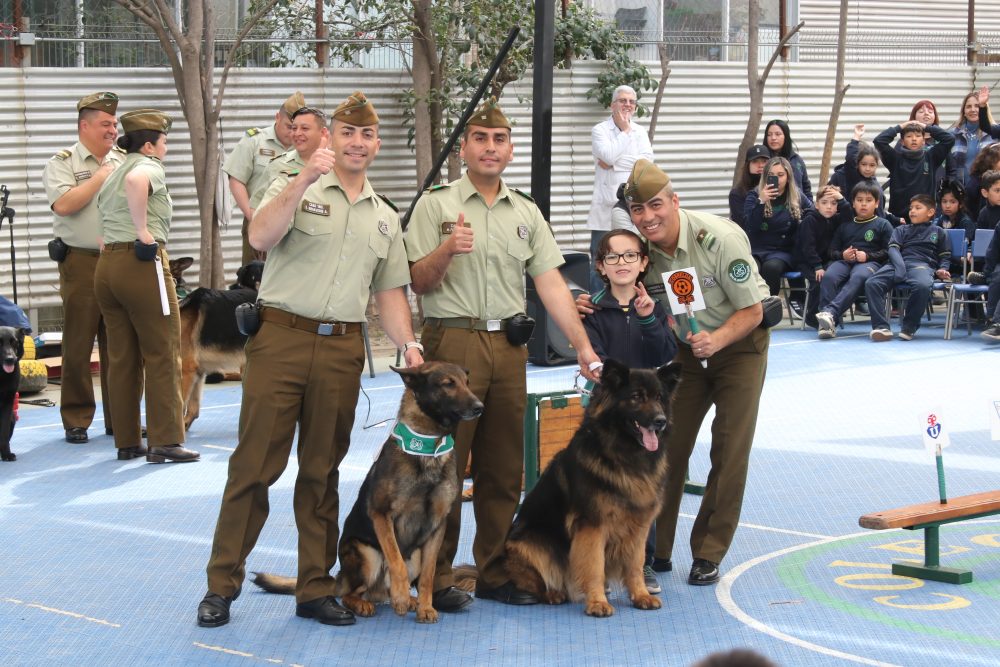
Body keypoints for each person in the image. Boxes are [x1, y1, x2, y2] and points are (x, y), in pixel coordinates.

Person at [197, 92, 423, 629]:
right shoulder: (292, 185)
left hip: (342, 347)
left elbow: (390, 290)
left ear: (377, 144)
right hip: (281, 339)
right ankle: (221, 586)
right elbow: (259, 235)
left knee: (321, 474)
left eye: (367, 135)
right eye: (347, 132)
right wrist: (302, 180)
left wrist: (408, 342)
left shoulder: (385, 217)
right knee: (254, 468)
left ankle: (316, 589)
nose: (357, 142)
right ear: (329, 137)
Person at [406, 97, 601, 610]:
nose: (489, 148)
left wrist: (582, 347)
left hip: (509, 347)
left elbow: (550, 283)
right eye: (479, 139)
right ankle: (439, 575)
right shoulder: (437, 205)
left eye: (499, 140)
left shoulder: (526, 211)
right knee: (444, 467)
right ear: (464, 148)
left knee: (501, 467)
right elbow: (414, 280)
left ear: (510, 149)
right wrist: (448, 249)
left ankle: (494, 571)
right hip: (452, 343)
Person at [581, 158, 769, 587]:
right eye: (639, 211)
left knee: (729, 449)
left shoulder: (718, 239)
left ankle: (707, 551)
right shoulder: (643, 250)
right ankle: (653, 550)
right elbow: (617, 276)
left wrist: (718, 340)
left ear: (674, 201)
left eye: (655, 206)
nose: (648, 218)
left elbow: (753, 309)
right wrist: (583, 303)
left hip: (739, 347)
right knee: (663, 448)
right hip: (685, 354)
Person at [94, 109, 197, 464]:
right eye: (165, 141)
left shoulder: (112, 168)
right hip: (142, 262)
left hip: (108, 267)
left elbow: (103, 210)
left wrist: (109, 237)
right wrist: (141, 230)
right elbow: (138, 182)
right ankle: (165, 440)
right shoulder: (146, 166)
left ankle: (127, 441)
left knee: (122, 358)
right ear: (150, 145)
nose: (166, 148)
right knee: (163, 351)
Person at [583, 228, 677, 594]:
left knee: (646, 485)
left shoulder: (655, 307)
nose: (621, 263)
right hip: (608, 417)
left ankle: (644, 562)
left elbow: (663, 354)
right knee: (601, 489)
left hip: (648, 413)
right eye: (612, 257)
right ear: (601, 266)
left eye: (629, 256)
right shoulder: (591, 310)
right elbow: (594, 359)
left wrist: (648, 319)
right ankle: (601, 563)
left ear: (643, 263)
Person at [42, 92, 124, 445]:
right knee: (78, 342)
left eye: (115, 123)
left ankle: (120, 417)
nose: (113, 129)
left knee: (120, 344)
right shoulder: (63, 162)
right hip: (82, 261)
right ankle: (76, 418)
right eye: (105, 123)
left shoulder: (127, 159)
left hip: (121, 260)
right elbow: (64, 204)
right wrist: (101, 175)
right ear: (84, 126)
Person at [586, 85, 654, 293]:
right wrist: (624, 133)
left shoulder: (640, 132)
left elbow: (647, 164)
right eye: (623, 101)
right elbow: (606, 155)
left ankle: (628, 302)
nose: (627, 105)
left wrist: (615, 162)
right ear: (612, 105)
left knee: (631, 256)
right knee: (600, 259)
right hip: (605, 208)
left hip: (631, 207)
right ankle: (598, 304)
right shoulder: (600, 130)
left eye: (631, 102)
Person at [222, 91, 304, 264]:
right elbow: (236, 180)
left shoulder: (304, 148)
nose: (293, 133)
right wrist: (252, 216)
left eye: (297, 127)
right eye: (289, 127)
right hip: (258, 218)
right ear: (277, 117)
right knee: (255, 280)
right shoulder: (255, 141)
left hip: (295, 226)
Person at [865, 194, 951, 341]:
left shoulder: (938, 232)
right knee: (872, 283)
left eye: (918, 208)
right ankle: (881, 327)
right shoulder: (900, 230)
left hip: (922, 266)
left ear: (930, 212)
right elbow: (893, 250)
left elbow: (945, 256)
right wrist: (900, 268)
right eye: (911, 208)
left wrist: (943, 269)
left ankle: (909, 326)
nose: (912, 211)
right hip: (897, 264)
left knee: (923, 286)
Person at [814, 182, 894, 339]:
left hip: (870, 264)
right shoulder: (845, 225)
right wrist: (842, 255)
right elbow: (831, 251)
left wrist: (868, 256)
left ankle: (829, 313)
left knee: (858, 276)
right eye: (859, 200)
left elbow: (890, 251)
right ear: (853, 202)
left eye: (869, 200)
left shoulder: (883, 224)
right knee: (829, 276)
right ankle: (827, 326)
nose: (864, 204)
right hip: (845, 262)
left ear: (877, 203)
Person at [742, 156, 811, 301]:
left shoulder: (796, 195)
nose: (777, 180)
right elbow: (750, 227)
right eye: (771, 176)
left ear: (788, 177)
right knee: (748, 267)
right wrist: (761, 201)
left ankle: (769, 309)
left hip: (783, 251)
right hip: (758, 249)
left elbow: (812, 214)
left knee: (771, 268)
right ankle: (749, 307)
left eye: (781, 175)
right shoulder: (755, 195)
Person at [874, 120, 955, 223]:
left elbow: (949, 139)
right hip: (900, 217)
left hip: (925, 216)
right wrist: (900, 127)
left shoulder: (931, 158)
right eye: (909, 136)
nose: (914, 139)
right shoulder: (895, 159)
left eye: (918, 136)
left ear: (924, 141)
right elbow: (879, 141)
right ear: (902, 141)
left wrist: (927, 127)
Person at [794, 185, 851, 328]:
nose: (829, 207)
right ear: (816, 204)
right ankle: (812, 316)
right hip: (808, 262)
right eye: (824, 203)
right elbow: (808, 247)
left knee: (835, 278)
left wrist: (842, 200)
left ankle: (830, 314)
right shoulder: (810, 220)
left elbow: (849, 218)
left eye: (834, 203)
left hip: (827, 260)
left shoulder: (836, 219)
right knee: (819, 281)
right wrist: (817, 266)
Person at [950, 88, 999, 189]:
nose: (973, 110)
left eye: (977, 106)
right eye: (968, 106)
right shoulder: (953, 134)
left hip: (989, 189)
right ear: (963, 111)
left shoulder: (995, 132)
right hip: (960, 190)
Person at [763, 119, 812, 201]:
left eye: (778, 134)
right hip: (770, 209)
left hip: (796, 209)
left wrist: (809, 210)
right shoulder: (763, 161)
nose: (773, 138)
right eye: (769, 135)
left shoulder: (797, 160)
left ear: (786, 136)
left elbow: (806, 188)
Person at [728, 144, 769, 227]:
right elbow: (744, 224)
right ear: (748, 165)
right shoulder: (737, 194)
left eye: (764, 161)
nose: (760, 165)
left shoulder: (777, 188)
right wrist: (760, 201)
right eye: (755, 161)